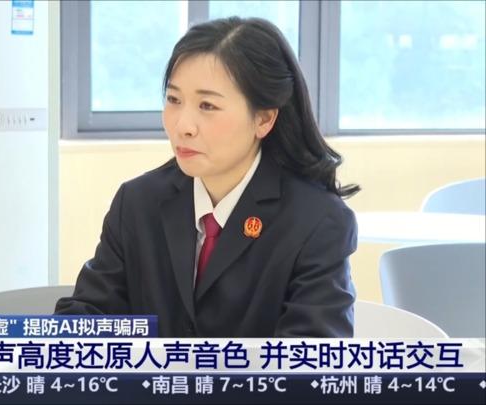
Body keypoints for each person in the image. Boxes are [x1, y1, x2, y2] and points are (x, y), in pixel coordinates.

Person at [54, 17, 360, 337]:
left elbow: (312, 356)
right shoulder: (137, 203)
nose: (183, 126)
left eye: (207, 106)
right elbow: (88, 317)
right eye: (174, 100)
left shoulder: (318, 222)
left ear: (264, 119)